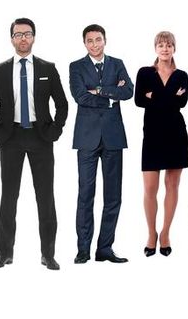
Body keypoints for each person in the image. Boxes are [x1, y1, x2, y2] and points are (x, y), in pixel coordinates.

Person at [0, 18, 67, 270]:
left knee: (45, 197)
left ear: (34, 37)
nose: (22, 38)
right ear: (11, 38)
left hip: (41, 138)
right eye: (18, 34)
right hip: (11, 138)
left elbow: (62, 104)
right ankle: (4, 253)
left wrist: (54, 131)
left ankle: (48, 254)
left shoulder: (47, 68)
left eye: (27, 34)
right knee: (8, 197)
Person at [68, 24, 134, 264]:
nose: (94, 44)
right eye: (90, 41)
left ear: (105, 40)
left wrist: (98, 90)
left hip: (113, 137)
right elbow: (79, 96)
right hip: (86, 138)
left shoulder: (117, 63)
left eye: (98, 39)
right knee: (86, 194)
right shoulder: (76, 66)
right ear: (84, 43)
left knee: (113, 195)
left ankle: (105, 248)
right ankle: (83, 249)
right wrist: (109, 96)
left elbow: (128, 91)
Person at [134, 31, 188, 256]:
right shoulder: (145, 72)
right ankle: (151, 233)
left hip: (176, 134)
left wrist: (153, 97)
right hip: (153, 135)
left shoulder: (182, 75)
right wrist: (168, 98)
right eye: (161, 45)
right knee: (149, 188)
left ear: (174, 48)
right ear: (155, 48)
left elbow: (182, 102)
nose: (165, 49)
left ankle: (165, 233)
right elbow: (138, 100)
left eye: (169, 45)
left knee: (172, 185)